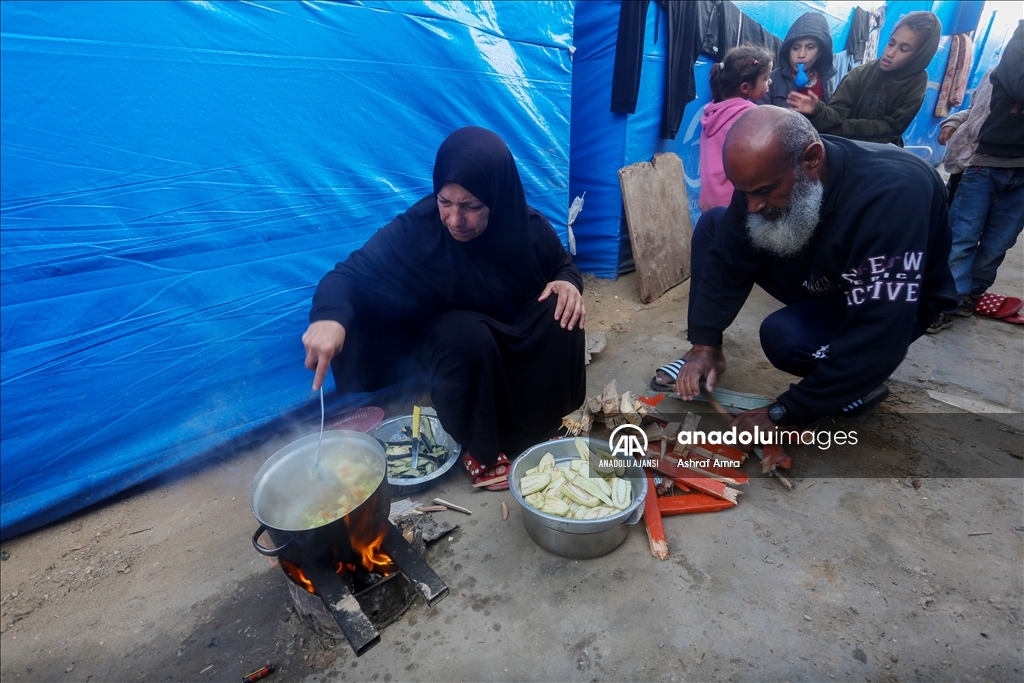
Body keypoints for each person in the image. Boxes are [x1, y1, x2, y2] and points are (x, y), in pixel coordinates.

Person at [302, 127, 587, 490]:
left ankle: (548, 424)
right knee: (465, 335)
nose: (454, 219)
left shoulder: (527, 228)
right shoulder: (417, 228)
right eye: (445, 202)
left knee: (562, 311)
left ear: (497, 198)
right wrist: (329, 318)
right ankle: (481, 446)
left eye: (471, 206)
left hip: (509, 328)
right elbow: (348, 275)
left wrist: (568, 283)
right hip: (454, 342)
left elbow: (563, 265)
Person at [650, 107, 955, 441]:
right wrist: (703, 344)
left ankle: (856, 386)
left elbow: (882, 326)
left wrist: (790, 410)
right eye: (745, 192)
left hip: (891, 303)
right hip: (824, 275)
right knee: (715, 225)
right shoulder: (772, 172)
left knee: (787, 337)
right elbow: (727, 255)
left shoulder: (894, 195)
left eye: (764, 191)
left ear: (812, 159)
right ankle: (710, 355)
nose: (752, 205)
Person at [930, 20, 1024, 330]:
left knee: (997, 244)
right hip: (983, 163)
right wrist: (954, 122)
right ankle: (947, 298)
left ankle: (969, 295)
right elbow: (979, 108)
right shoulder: (1014, 53)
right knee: (962, 236)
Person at [787, 11, 940, 146]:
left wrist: (839, 128)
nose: (890, 53)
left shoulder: (916, 83)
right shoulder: (859, 74)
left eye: (904, 49)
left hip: (881, 152)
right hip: (843, 145)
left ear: (919, 56)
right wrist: (817, 111)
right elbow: (835, 114)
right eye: (891, 43)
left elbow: (891, 129)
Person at [699, 45, 773, 211]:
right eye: (766, 78)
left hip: (708, 202)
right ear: (745, 87)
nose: (770, 81)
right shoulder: (749, 115)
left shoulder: (712, 111)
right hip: (733, 205)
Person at [757, 11, 836, 108]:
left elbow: (830, 117)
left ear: (820, 52)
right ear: (788, 50)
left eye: (810, 47)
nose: (801, 54)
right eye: (795, 48)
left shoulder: (826, 81)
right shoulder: (771, 80)